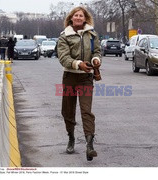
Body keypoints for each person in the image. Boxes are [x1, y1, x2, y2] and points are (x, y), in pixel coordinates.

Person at [57, 6, 101, 161]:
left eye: (81, 16)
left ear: (85, 18)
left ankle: (90, 145)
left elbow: (97, 51)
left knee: (86, 111)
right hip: (70, 77)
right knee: (68, 111)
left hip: (86, 78)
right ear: (71, 18)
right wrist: (78, 64)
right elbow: (63, 57)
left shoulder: (92, 34)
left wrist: (96, 60)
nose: (78, 18)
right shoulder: (64, 36)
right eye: (76, 15)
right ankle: (71, 138)